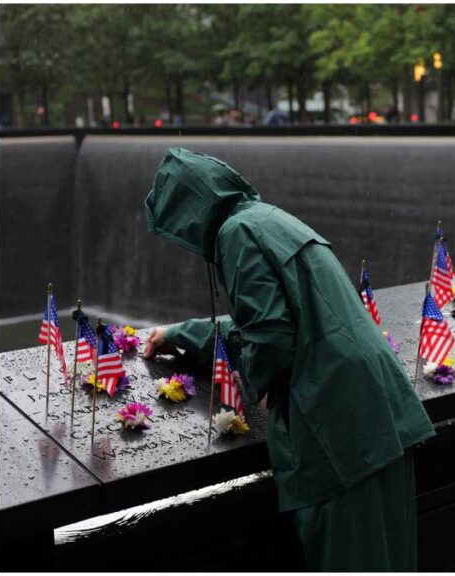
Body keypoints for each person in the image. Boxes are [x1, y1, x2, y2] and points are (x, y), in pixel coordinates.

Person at [142, 148, 435, 571]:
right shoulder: (268, 218)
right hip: (377, 412)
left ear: (189, 213)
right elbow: (271, 320)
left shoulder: (233, 234)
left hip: (336, 425)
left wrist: (263, 385)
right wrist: (179, 334)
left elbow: (269, 336)